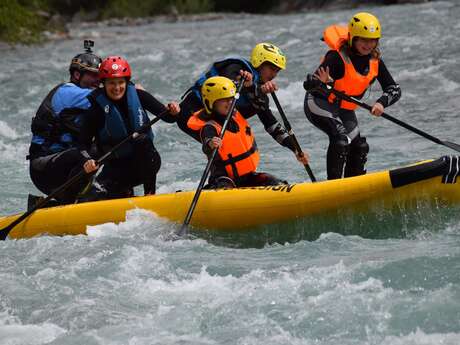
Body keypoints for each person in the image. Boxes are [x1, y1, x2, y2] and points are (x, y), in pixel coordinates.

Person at [303, 12, 401, 180]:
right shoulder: (336, 58)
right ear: (352, 38)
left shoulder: (375, 61)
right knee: (341, 139)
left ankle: (352, 184)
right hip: (320, 103)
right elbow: (311, 85)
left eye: (372, 40)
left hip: (344, 109)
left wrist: (381, 103)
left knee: (360, 146)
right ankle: (333, 186)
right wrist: (323, 83)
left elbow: (394, 89)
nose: (368, 44)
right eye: (363, 39)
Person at [178, 42, 308, 165]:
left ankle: (237, 179)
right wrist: (255, 87)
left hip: (211, 121)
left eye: (277, 71)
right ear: (259, 63)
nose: (274, 74)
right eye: (272, 69)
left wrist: (295, 149)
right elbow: (227, 89)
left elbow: (272, 125)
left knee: (235, 145)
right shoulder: (235, 69)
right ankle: (220, 180)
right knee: (223, 146)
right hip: (189, 113)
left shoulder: (259, 96)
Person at [79, 56, 180, 198]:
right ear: (103, 84)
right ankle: (126, 195)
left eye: (121, 82)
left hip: (146, 163)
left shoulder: (139, 95)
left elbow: (169, 118)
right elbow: (82, 143)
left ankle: (150, 194)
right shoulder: (96, 108)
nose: (117, 88)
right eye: (111, 83)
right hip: (118, 168)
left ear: (126, 82)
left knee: (142, 139)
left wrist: (174, 111)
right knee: (95, 194)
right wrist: (87, 160)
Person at [27, 40, 101, 204]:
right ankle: (67, 202)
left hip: (66, 166)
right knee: (92, 150)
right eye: (93, 75)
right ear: (77, 75)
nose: (98, 80)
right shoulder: (67, 92)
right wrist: (132, 88)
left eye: (100, 76)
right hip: (43, 168)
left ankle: (111, 190)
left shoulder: (89, 98)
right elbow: (109, 97)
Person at [187, 76, 287, 188]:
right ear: (211, 103)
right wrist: (211, 143)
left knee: (272, 180)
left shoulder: (236, 116)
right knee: (225, 187)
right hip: (223, 179)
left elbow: (258, 105)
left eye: (231, 99)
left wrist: (257, 89)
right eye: (225, 100)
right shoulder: (210, 127)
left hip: (247, 176)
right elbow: (206, 144)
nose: (230, 103)